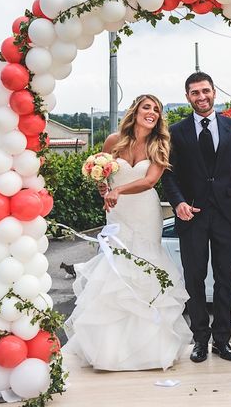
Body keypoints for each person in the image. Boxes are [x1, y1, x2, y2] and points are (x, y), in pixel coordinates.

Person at [63, 94, 192, 371]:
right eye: (147, 107)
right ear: (135, 111)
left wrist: (119, 190)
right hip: (117, 213)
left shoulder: (160, 143)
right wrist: (105, 188)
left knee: (144, 271)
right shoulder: (113, 141)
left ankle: (149, 349)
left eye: (156, 110)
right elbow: (106, 175)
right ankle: (110, 350)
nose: (153, 113)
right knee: (115, 273)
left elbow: (149, 180)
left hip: (145, 214)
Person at [162, 72, 231, 363]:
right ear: (187, 97)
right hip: (191, 215)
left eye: (205, 91)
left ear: (214, 92)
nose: (201, 97)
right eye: (195, 93)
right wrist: (177, 202)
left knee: (223, 280)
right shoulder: (177, 132)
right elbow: (168, 175)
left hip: (227, 216)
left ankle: (222, 340)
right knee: (194, 280)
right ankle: (200, 340)